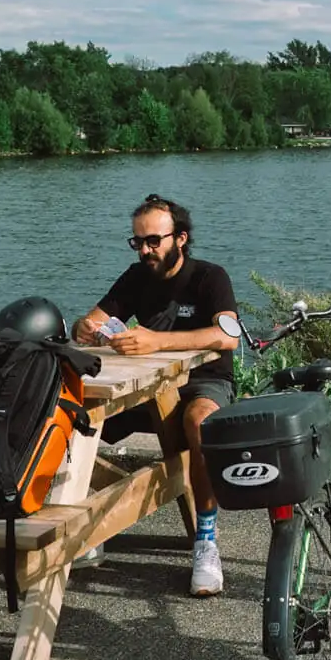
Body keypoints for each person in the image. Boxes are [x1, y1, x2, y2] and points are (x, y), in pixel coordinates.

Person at [73, 193, 239, 597]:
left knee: (197, 419)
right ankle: (80, 524)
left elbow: (228, 336)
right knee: (71, 421)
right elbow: (90, 319)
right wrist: (90, 328)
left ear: (179, 238)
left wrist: (156, 342)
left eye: (153, 241)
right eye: (138, 242)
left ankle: (205, 542)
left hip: (204, 381)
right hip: (147, 386)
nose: (145, 250)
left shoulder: (209, 277)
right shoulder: (134, 277)